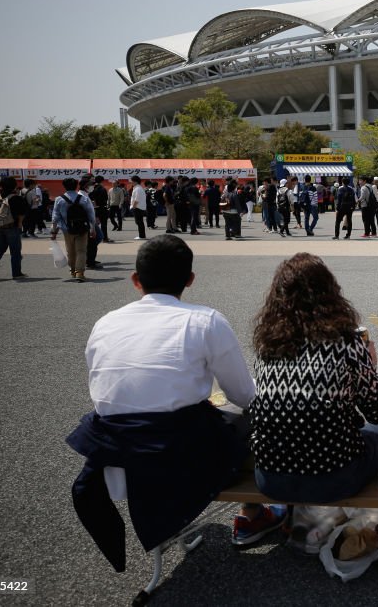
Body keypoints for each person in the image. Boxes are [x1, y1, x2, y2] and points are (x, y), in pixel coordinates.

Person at [66, 235, 268, 564]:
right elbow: (244, 394)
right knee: (253, 419)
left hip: (118, 459)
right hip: (180, 456)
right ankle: (254, 510)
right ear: (189, 280)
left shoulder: (106, 323)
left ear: (136, 280)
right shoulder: (205, 321)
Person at [244, 253, 378, 512]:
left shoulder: (268, 344)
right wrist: (369, 366)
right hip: (333, 479)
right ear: (331, 293)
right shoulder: (344, 343)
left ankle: (265, 517)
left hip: (270, 478)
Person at [50, 177, 98, 282]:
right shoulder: (83, 198)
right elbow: (91, 214)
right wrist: (92, 229)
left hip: (67, 230)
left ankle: (72, 270)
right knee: (81, 250)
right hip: (82, 229)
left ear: (64, 186)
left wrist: (54, 231)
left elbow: (55, 217)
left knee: (70, 251)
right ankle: (80, 272)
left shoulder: (59, 199)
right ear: (76, 186)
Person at [0, 176, 28, 281]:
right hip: (12, 226)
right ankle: (16, 273)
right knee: (15, 251)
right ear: (14, 185)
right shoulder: (15, 197)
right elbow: (22, 212)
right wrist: (20, 223)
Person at [129, 176, 147, 241]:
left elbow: (137, 199)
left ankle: (142, 236)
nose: (131, 182)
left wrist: (133, 206)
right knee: (139, 222)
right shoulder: (138, 188)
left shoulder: (138, 189)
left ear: (135, 181)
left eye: (132, 181)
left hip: (137, 207)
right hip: (139, 207)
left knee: (139, 222)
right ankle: (142, 235)